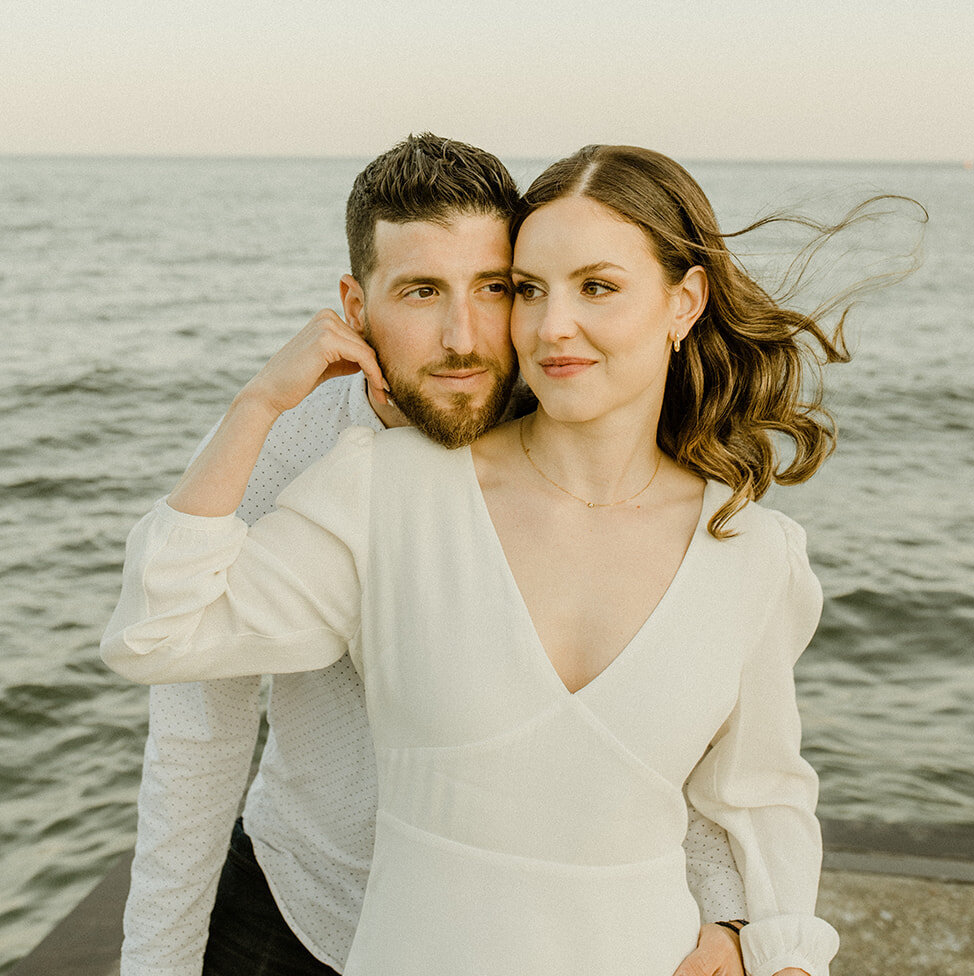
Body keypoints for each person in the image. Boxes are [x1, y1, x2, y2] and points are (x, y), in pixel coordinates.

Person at [103, 142, 844, 976]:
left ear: (683, 304)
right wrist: (259, 403)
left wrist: (751, 929)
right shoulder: (345, 469)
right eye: (423, 291)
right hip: (306, 896)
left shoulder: (742, 544)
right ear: (354, 306)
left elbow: (736, 781)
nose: (478, 334)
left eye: (498, 288)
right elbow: (180, 692)